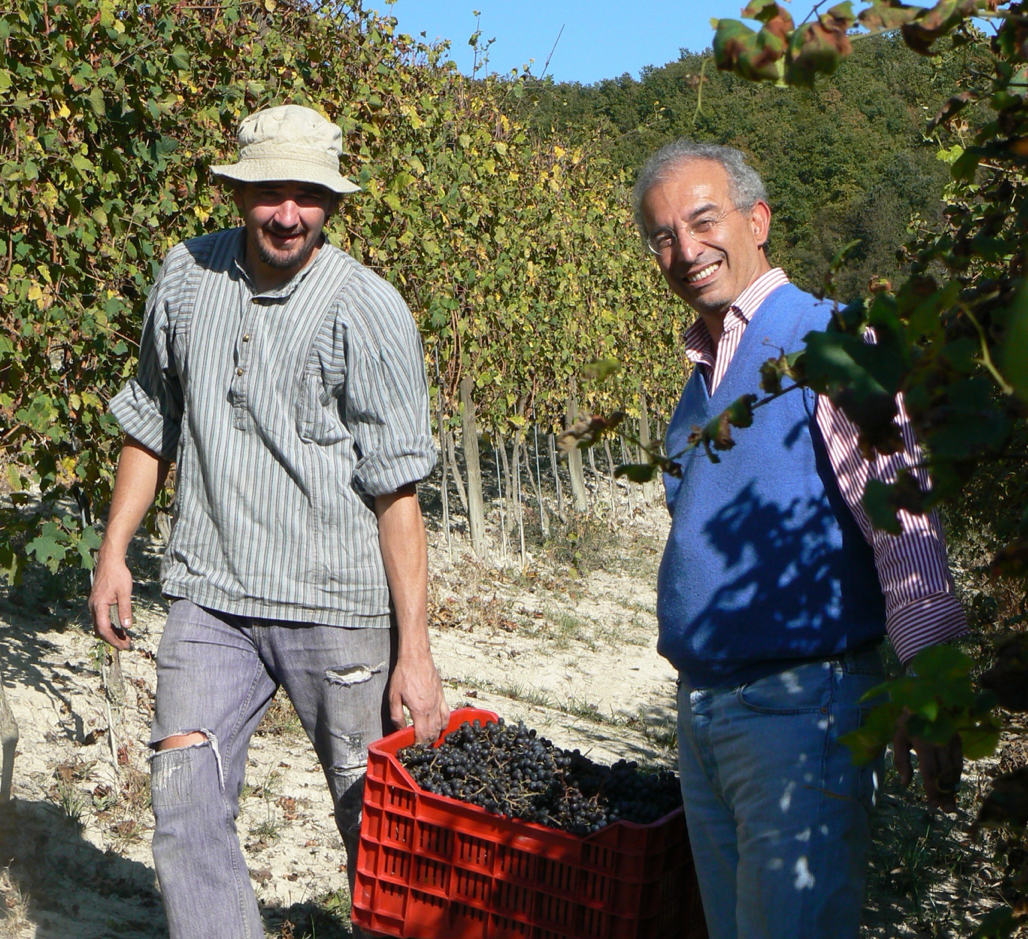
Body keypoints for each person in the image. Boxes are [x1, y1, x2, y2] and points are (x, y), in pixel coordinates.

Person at [87, 104, 449, 939]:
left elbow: (399, 494)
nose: (288, 213)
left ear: (334, 201)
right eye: (269, 192)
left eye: (308, 194)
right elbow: (151, 424)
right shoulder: (184, 278)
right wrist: (114, 551)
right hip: (210, 596)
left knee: (379, 824)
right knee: (184, 803)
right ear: (237, 192)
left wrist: (415, 652)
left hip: (338, 607)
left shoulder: (368, 307)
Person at [631, 140, 967, 939]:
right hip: (707, 710)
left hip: (800, 709)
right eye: (663, 236)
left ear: (758, 219)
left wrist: (932, 687)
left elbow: (901, 523)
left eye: (703, 221)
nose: (685, 250)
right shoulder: (703, 372)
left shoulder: (827, 340)